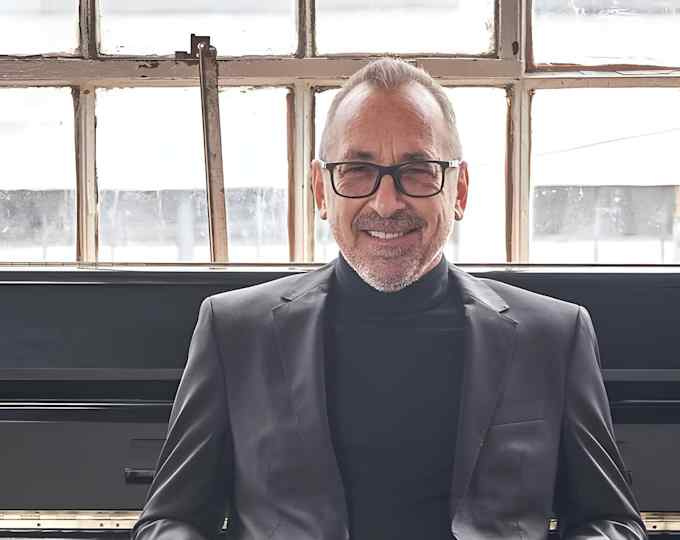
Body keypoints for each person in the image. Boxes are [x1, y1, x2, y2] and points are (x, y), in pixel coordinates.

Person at [133, 58, 646, 540]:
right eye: (357, 170)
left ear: (459, 190)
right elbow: (169, 521)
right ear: (320, 190)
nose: (385, 202)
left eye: (418, 169)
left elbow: (610, 521)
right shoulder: (233, 330)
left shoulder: (554, 335)